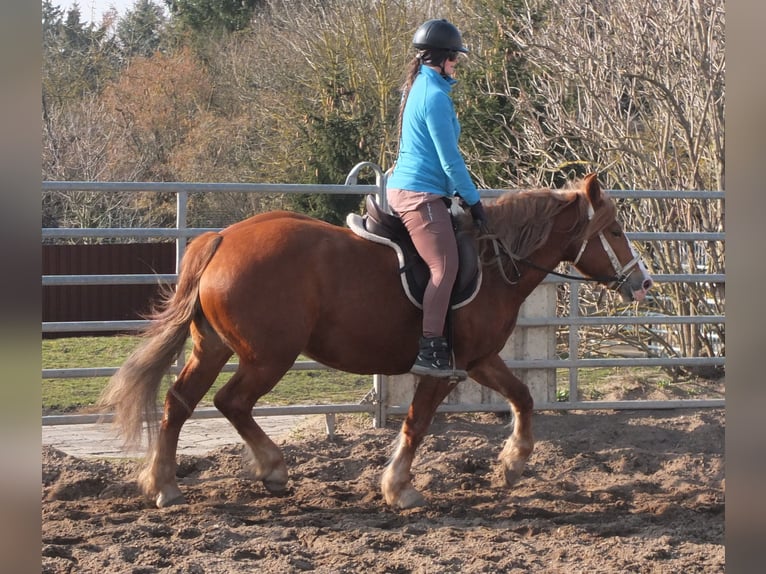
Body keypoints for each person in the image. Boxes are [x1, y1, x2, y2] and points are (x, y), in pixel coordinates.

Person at [386, 18, 489, 378]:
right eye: (455, 58)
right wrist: (474, 202)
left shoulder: (418, 86)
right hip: (420, 194)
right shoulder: (435, 97)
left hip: (414, 185)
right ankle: (430, 349)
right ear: (444, 58)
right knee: (444, 268)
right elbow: (450, 159)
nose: (457, 64)